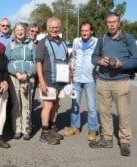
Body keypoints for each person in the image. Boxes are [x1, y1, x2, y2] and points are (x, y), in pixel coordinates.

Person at [89, 12, 137, 156]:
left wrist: (121, 64)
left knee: (123, 113)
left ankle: (125, 141)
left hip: (121, 81)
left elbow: (135, 60)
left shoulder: (127, 38)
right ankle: (107, 139)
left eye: (114, 22)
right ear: (106, 24)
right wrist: (99, 61)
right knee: (104, 112)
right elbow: (93, 57)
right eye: (109, 22)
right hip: (103, 81)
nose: (111, 25)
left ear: (119, 23)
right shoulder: (102, 39)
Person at [64, 21, 99, 142]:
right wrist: (72, 69)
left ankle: (93, 129)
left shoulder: (97, 42)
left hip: (90, 79)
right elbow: (73, 56)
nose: (84, 32)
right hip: (77, 77)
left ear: (91, 31)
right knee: (75, 105)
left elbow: (99, 57)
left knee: (92, 106)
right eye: (82, 30)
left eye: (86, 30)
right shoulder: (76, 41)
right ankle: (75, 127)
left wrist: (97, 71)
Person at [36, 17, 68, 145]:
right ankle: (44, 133)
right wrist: (41, 81)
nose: (54, 29)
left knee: (56, 105)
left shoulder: (63, 42)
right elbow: (38, 63)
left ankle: (52, 128)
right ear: (48, 28)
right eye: (52, 27)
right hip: (48, 79)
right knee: (48, 105)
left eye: (56, 27)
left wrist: (69, 76)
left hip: (61, 80)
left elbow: (67, 61)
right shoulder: (42, 43)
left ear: (59, 27)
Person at [5, 22, 36, 140]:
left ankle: (26, 129)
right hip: (14, 77)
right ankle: (17, 129)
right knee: (16, 104)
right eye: (17, 30)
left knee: (27, 104)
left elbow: (35, 61)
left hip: (28, 77)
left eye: (22, 29)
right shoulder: (11, 45)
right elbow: (7, 61)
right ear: (14, 32)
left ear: (25, 31)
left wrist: (28, 74)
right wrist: (17, 73)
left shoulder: (32, 45)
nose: (20, 32)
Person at [27, 23, 40, 104]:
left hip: (34, 75)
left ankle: (29, 116)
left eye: (36, 32)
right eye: (32, 31)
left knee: (30, 98)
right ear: (28, 31)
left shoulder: (40, 44)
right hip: (22, 74)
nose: (34, 33)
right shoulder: (23, 42)